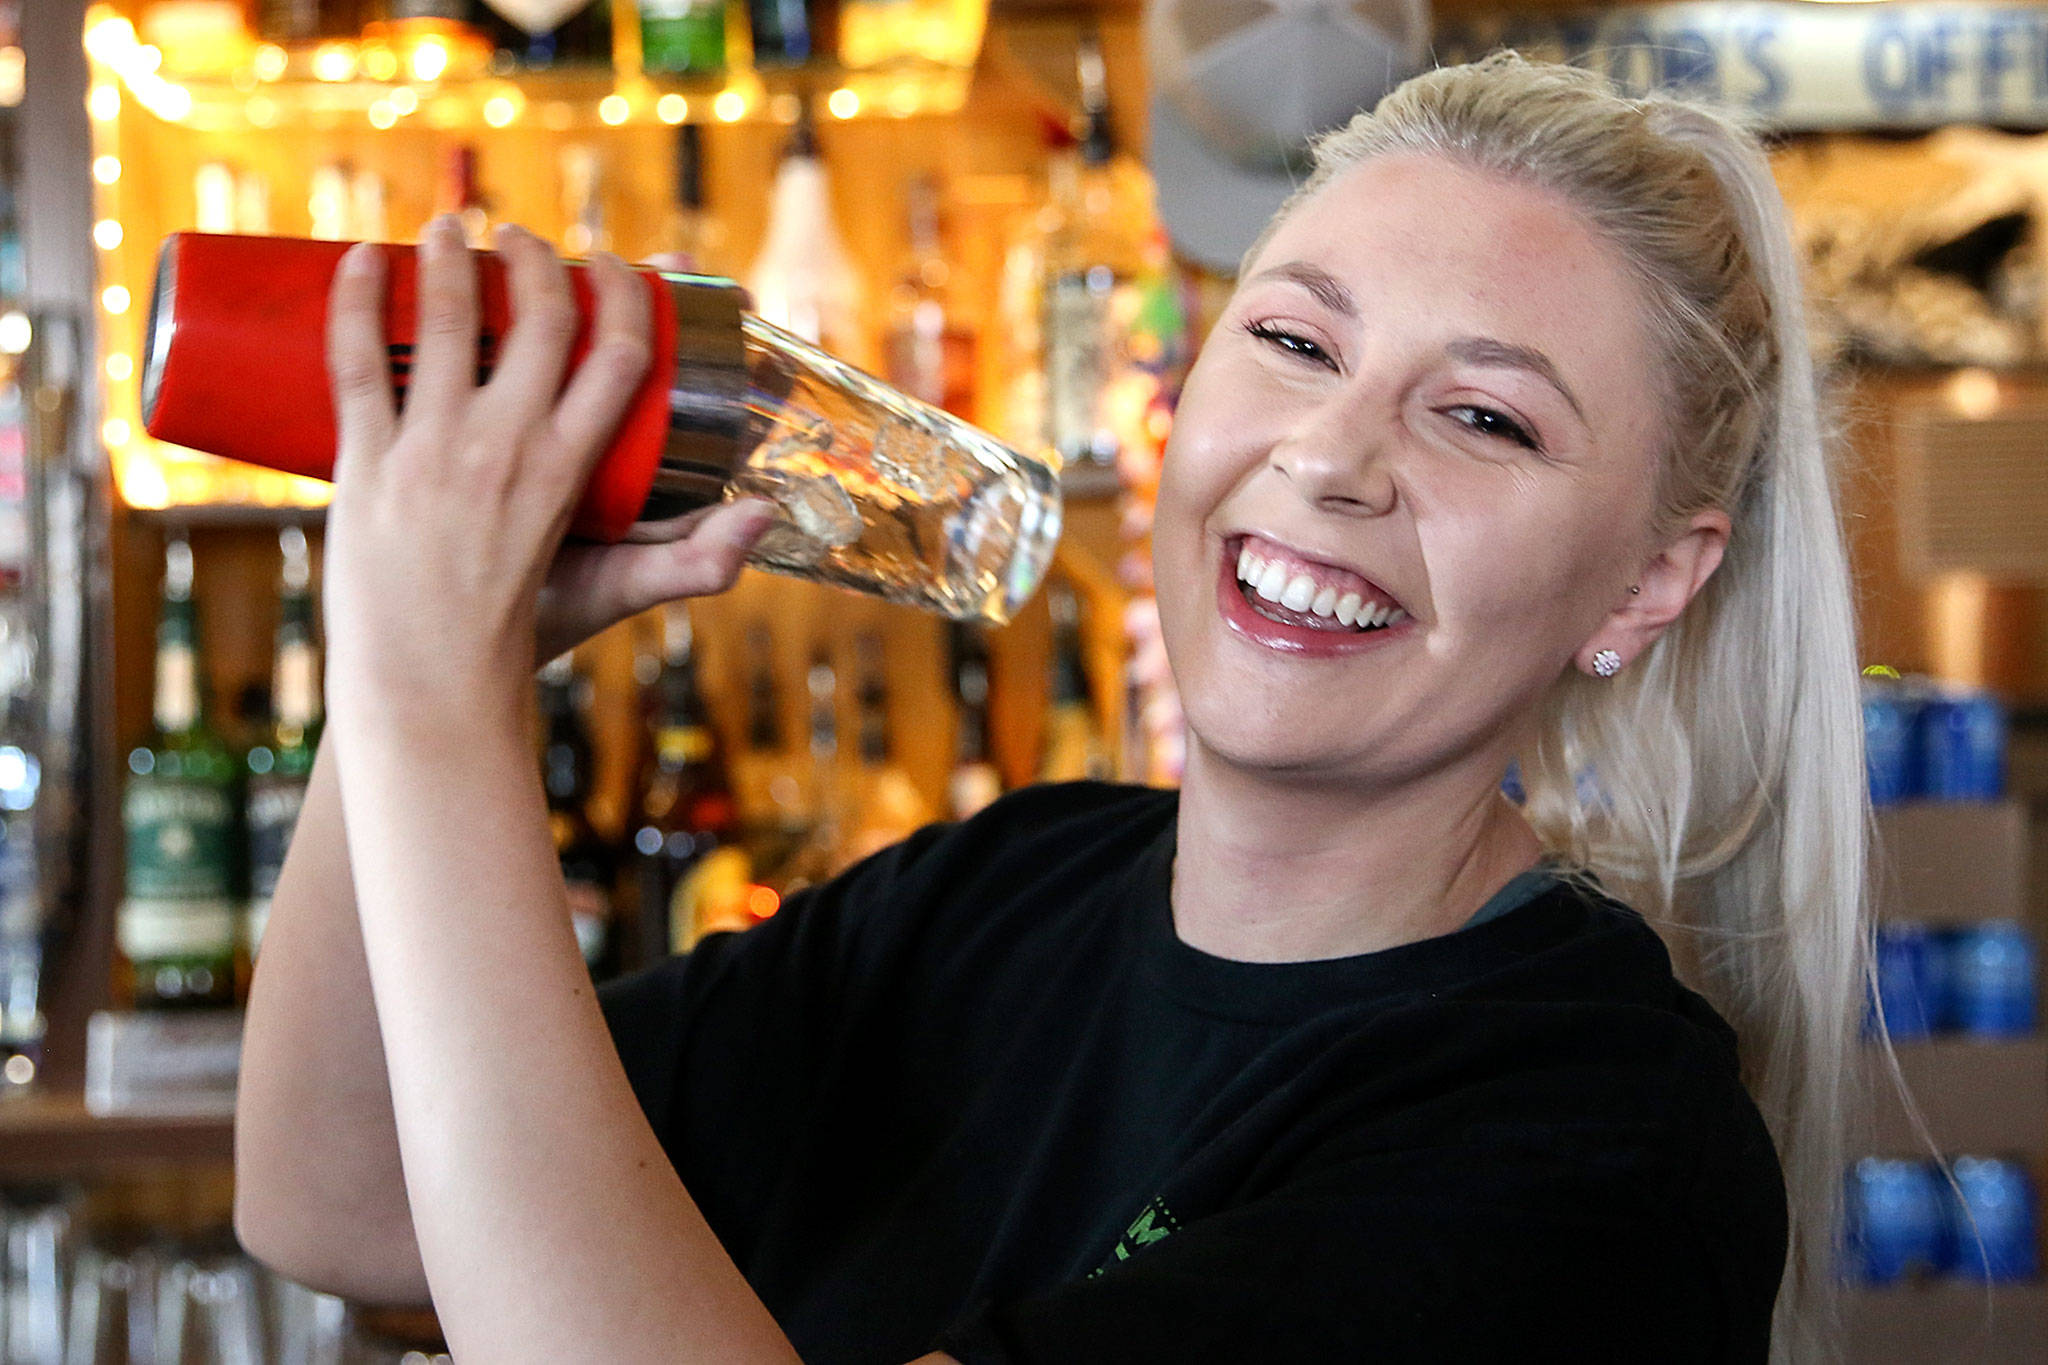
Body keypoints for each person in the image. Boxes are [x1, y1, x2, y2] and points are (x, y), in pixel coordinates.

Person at [234, 54, 1866, 1363]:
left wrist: (426, 689)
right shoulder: (1002, 898)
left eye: (1487, 419)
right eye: (1296, 339)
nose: (1329, 457)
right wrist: (464, 653)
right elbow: (342, 1195)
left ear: (1651, 583)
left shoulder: (1594, 1151)